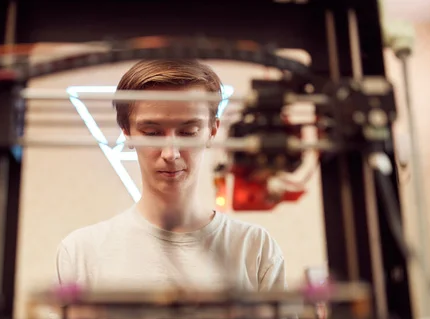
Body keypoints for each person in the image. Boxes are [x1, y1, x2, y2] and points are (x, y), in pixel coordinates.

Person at [56, 59, 285, 295]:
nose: (171, 153)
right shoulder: (81, 252)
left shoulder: (254, 247)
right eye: (152, 133)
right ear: (127, 134)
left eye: (188, 132)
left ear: (212, 131)